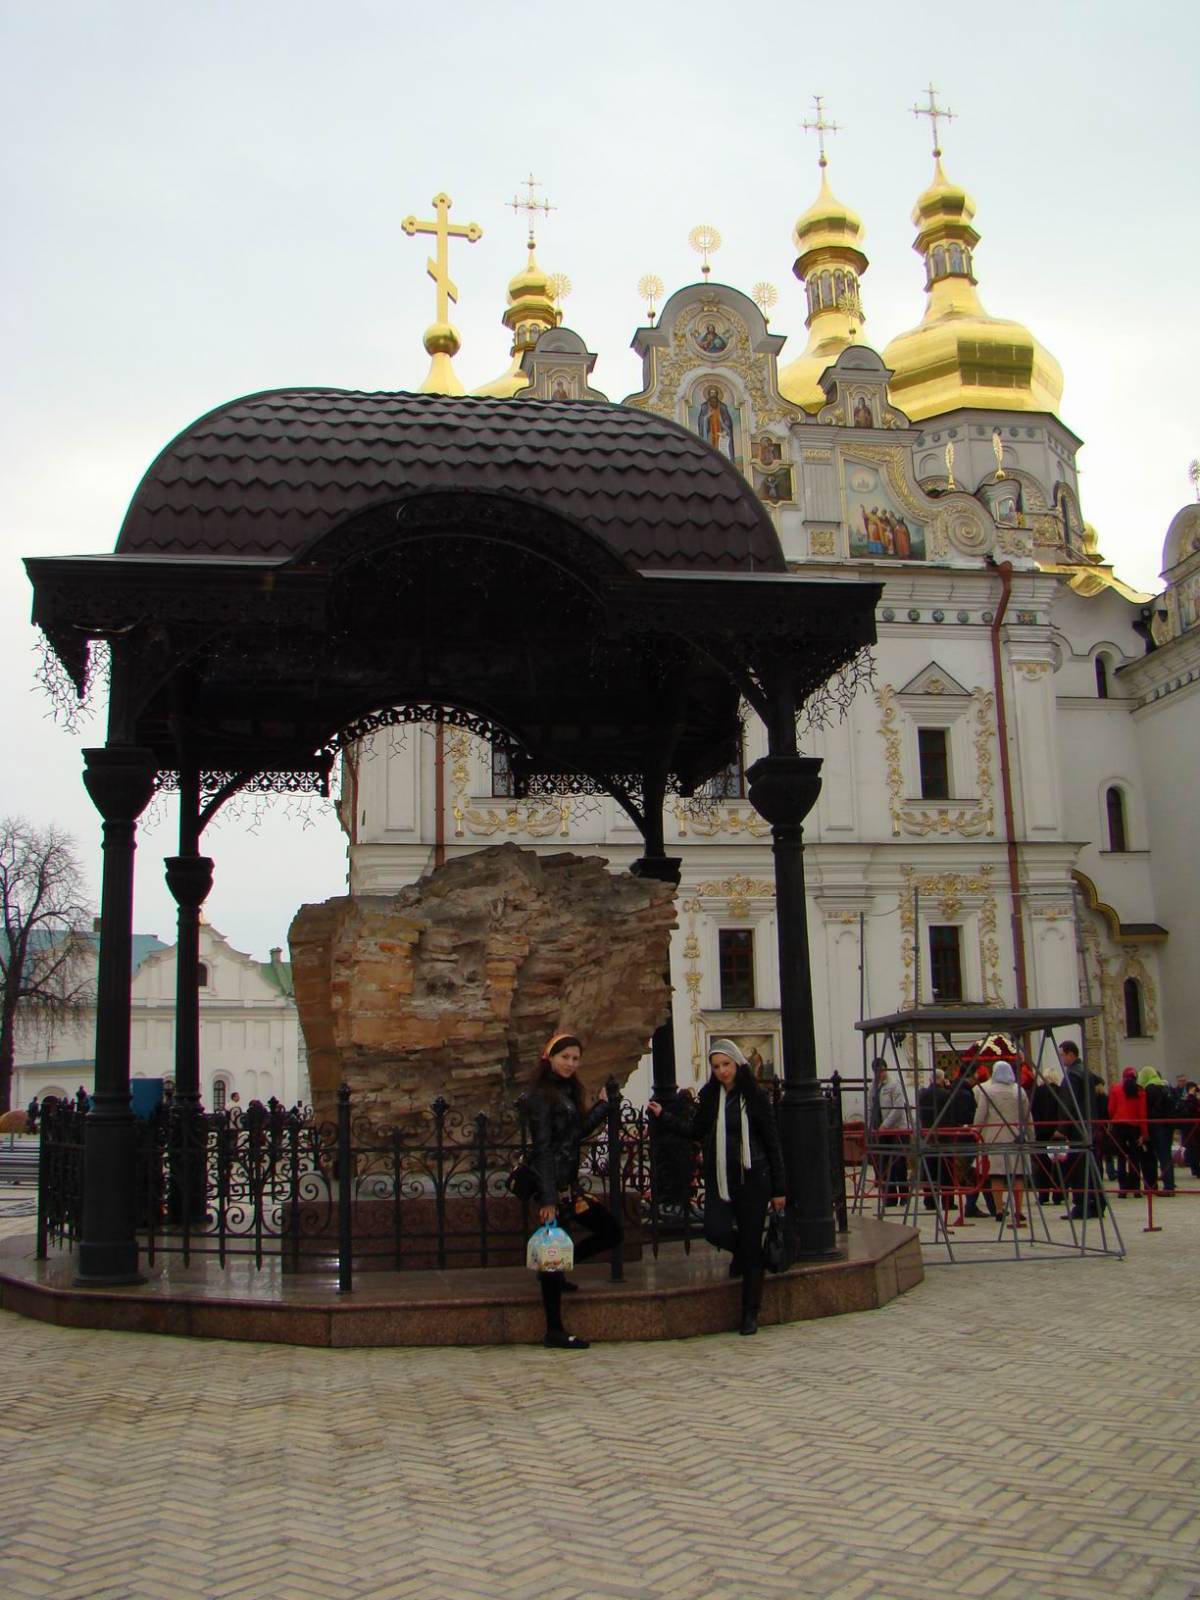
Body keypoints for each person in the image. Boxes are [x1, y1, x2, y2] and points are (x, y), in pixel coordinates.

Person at [649, 1039, 785, 1336]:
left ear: (738, 1064)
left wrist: (779, 1189)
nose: (722, 1071)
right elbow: (695, 1130)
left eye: (726, 1064)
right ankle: (750, 1256)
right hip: (720, 1176)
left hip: (753, 1176)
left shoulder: (755, 1096)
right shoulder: (711, 1096)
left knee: (751, 1239)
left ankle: (750, 1312)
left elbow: (772, 1141)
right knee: (715, 1230)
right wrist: (664, 1117)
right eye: (716, 1066)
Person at [529, 1032, 622, 1350]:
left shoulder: (567, 1090)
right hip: (554, 1187)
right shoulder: (541, 1096)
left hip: (569, 1184)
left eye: (575, 1058)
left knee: (610, 1231)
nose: (570, 1063)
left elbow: (574, 1133)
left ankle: (559, 1269)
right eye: (564, 1057)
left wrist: (602, 1107)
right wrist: (548, 1198)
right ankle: (554, 1329)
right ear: (550, 1058)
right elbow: (542, 1148)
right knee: (552, 1256)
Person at [972, 1061, 1031, 1225]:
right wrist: (1031, 1135)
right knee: (1017, 1174)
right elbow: (1027, 1115)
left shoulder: (988, 1091)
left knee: (996, 1174)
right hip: (1016, 1136)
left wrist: (976, 1131)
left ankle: (999, 1210)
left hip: (994, 1135)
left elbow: (981, 1113)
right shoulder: (1019, 1091)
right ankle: (1018, 1210)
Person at [1106, 1068, 1148, 1196]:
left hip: (1119, 1126)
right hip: (1134, 1127)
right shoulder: (1140, 1091)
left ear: (1123, 1077)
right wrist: (1144, 1133)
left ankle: (1122, 1190)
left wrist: (1114, 1119)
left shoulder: (1115, 1089)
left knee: (1121, 1158)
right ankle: (1136, 1189)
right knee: (1135, 1159)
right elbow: (1142, 1113)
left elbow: (1110, 1109)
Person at [1137, 1068, 1176, 1195]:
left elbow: (1147, 1109)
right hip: (1168, 1126)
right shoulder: (1165, 1086)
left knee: (1159, 1156)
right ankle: (1169, 1185)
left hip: (1156, 1126)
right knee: (1166, 1156)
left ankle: (1166, 1187)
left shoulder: (1150, 1088)